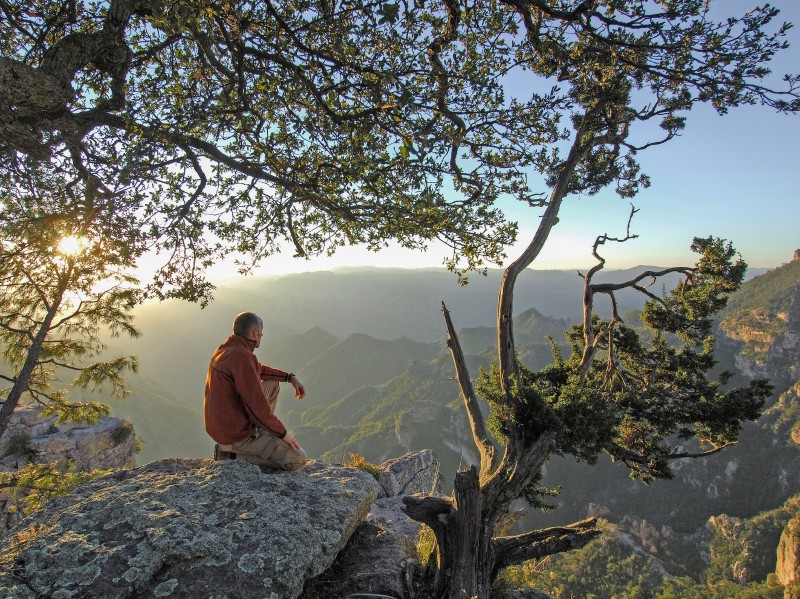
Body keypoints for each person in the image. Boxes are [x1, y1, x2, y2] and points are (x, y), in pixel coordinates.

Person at [204, 311, 308, 470]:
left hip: (223, 426)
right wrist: (283, 434)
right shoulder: (242, 357)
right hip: (236, 436)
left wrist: (289, 377)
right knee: (298, 459)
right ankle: (232, 456)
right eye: (261, 332)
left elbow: (258, 370)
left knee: (272, 384)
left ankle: (260, 433)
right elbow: (257, 408)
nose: (262, 335)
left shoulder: (229, 348)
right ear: (255, 333)